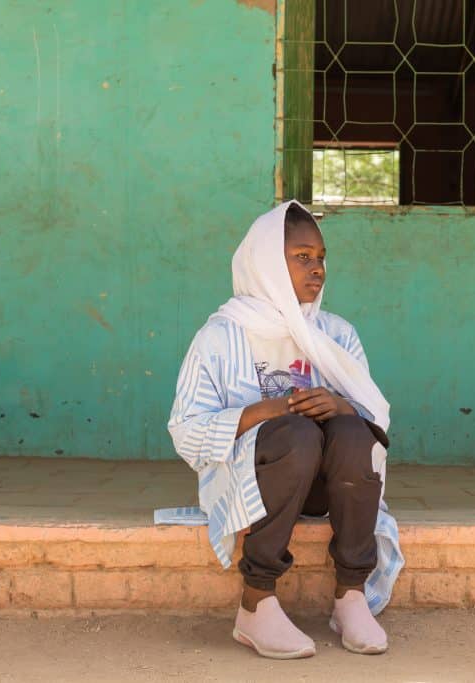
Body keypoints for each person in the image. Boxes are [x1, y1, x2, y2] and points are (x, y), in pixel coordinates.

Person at [167, 201, 402, 660]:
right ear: (267, 263)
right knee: (296, 433)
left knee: (354, 431)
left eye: (321, 258)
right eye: (302, 257)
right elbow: (187, 430)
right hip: (254, 482)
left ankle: (351, 596)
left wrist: (341, 406)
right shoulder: (220, 336)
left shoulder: (336, 333)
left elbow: (377, 419)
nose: (317, 270)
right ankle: (256, 602)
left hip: (324, 487)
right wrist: (270, 411)